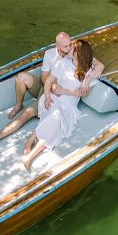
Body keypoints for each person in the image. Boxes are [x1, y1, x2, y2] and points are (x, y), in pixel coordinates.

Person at [0, 34, 104, 149]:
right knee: (22, 79)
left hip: (57, 93)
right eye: (66, 46)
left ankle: (2, 136)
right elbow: (44, 78)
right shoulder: (51, 54)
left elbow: (95, 64)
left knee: (27, 114)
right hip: (46, 87)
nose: (68, 48)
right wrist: (48, 91)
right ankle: (17, 108)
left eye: (70, 45)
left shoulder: (75, 57)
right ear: (57, 46)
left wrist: (86, 80)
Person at [22, 39, 94, 171]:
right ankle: (30, 146)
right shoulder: (63, 63)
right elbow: (48, 80)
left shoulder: (87, 71)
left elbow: (82, 93)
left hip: (69, 106)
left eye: (73, 47)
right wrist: (48, 96)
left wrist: (84, 81)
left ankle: (30, 148)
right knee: (55, 118)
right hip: (52, 98)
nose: (70, 48)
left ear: (79, 53)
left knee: (55, 120)